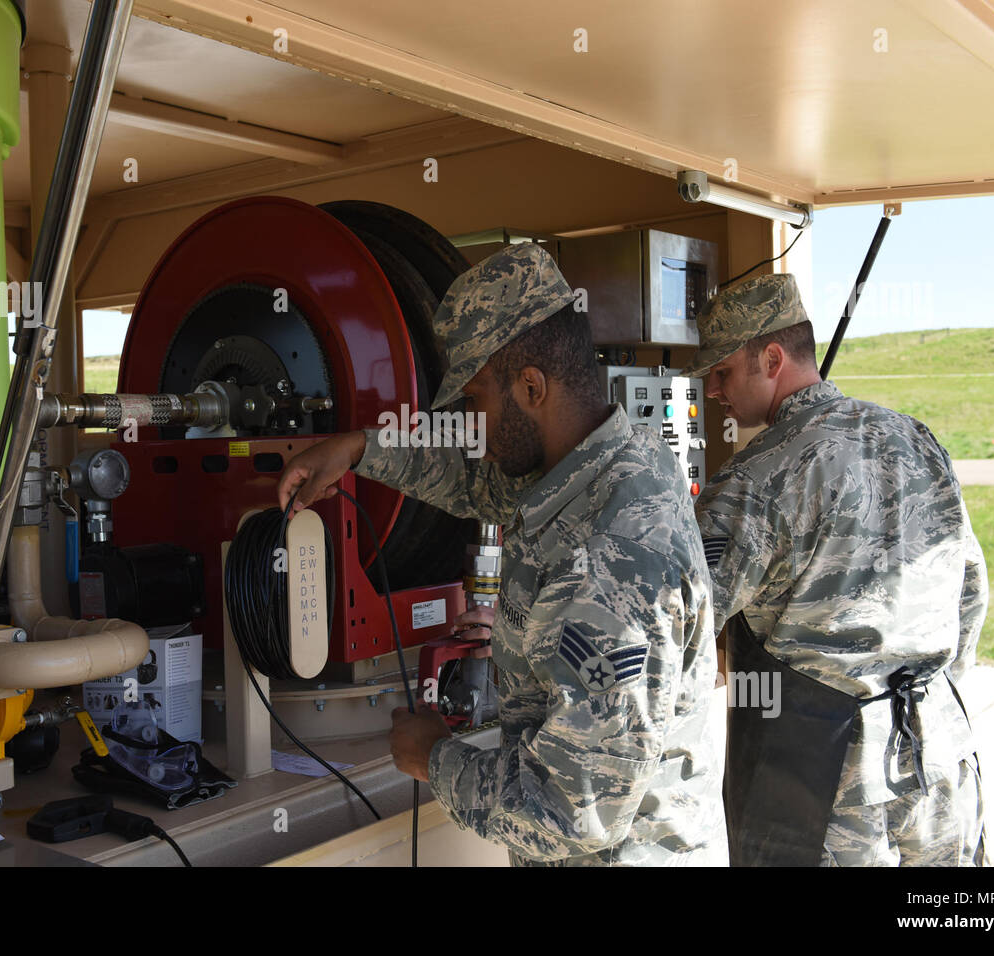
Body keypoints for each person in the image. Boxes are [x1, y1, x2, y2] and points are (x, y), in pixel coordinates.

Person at [277, 242, 726, 865]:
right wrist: (358, 449)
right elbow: (475, 485)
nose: (467, 422)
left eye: (475, 399)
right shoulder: (617, 460)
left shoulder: (612, 556)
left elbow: (577, 810)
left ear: (532, 386)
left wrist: (435, 758)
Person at [685, 272, 987, 866]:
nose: (710, 388)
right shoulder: (915, 439)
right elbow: (969, 591)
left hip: (819, 782)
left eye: (721, 371)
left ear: (771, 358)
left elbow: (678, 627)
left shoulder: (754, 480)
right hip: (940, 761)